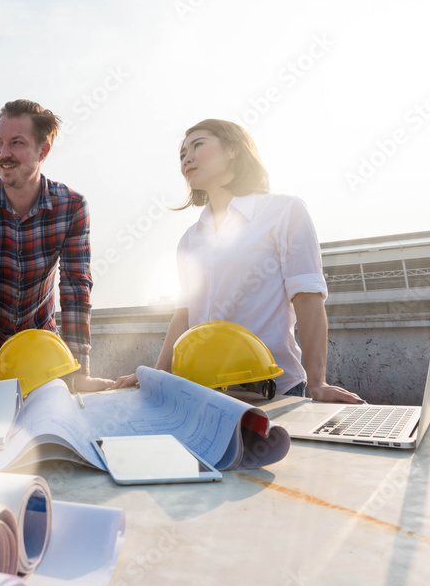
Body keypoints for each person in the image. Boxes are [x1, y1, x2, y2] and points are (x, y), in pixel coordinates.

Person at [114, 119, 363, 404]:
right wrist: (157, 375)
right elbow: (185, 314)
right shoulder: (190, 239)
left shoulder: (284, 211)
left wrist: (318, 382)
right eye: (182, 154)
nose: (187, 159)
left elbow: (307, 295)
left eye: (198, 145)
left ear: (233, 150)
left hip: (273, 392)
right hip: (200, 392)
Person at [0, 99, 114, 392]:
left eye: (16, 143)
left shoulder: (71, 207)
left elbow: (76, 289)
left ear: (43, 150)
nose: (3, 153)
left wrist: (80, 370)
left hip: (44, 356)